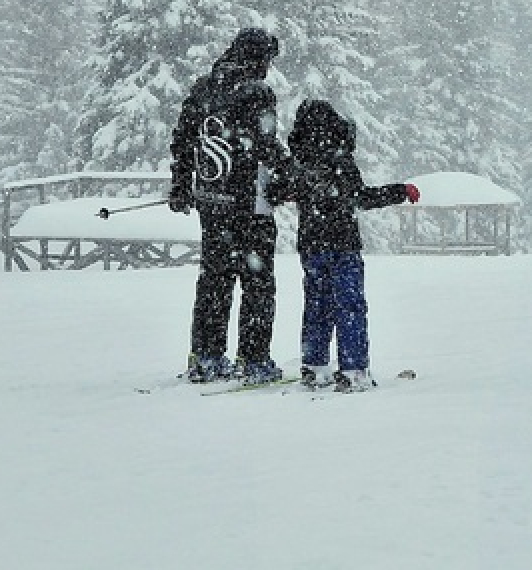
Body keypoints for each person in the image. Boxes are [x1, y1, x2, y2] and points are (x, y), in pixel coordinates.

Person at [268, 99, 419, 392]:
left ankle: (315, 366)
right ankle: (353, 370)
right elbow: (361, 197)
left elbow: (277, 191)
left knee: (317, 305)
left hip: (311, 246)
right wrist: (400, 191)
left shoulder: (298, 162)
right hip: (343, 244)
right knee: (350, 306)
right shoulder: (340, 161)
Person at [168, 27, 287, 385]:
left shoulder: (203, 88)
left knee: (214, 280)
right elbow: (265, 145)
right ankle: (254, 359)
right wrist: (294, 172)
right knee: (257, 282)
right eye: (267, 60)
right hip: (250, 202)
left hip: (211, 200)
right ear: (259, 58)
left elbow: (183, 139)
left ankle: (206, 356)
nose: (268, 68)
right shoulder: (257, 92)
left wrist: (181, 184)